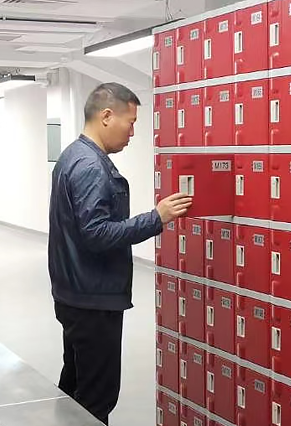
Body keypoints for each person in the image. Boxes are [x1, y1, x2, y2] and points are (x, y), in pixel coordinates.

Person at [47, 82, 191, 424]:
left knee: (74, 386)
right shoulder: (91, 167)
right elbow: (96, 234)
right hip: (93, 300)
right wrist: (156, 218)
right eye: (131, 122)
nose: (133, 132)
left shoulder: (71, 156)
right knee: (97, 397)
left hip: (73, 294)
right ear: (107, 116)